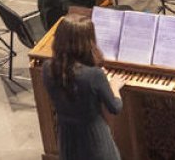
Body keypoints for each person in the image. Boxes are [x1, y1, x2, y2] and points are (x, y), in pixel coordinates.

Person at [41, 14, 126, 160]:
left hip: (67, 138)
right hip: (94, 142)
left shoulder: (47, 67)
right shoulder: (94, 75)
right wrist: (114, 86)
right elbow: (115, 107)